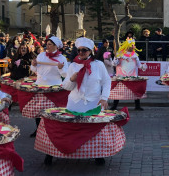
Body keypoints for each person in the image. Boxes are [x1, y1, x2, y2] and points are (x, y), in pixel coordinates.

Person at [60, 37, 111, 165]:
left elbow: (106, 82)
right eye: (79, 50)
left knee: (95, 130)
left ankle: (98, 154)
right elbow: (66, 86)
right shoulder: (72, 65)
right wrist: (71, 78)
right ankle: (71, 150)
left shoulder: (98, 65)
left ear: (90, 51)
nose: (81, 53)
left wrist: (104, 98)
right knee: (73, 129)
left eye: (85, 50)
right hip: (75, 102)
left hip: (93, 102)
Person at [113, 38, 147, 110]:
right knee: (118, 92)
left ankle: (137, 106)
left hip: (132, 76)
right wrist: (116, 59)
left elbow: (139, 65)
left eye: (133, 45)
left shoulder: (134, 55)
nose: (133, 47)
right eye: (132, 45)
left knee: (135, 91)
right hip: (121, 77)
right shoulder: (120, 54)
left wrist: (143, 66)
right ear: (127, 45)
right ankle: (114, 106)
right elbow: (114, 64)